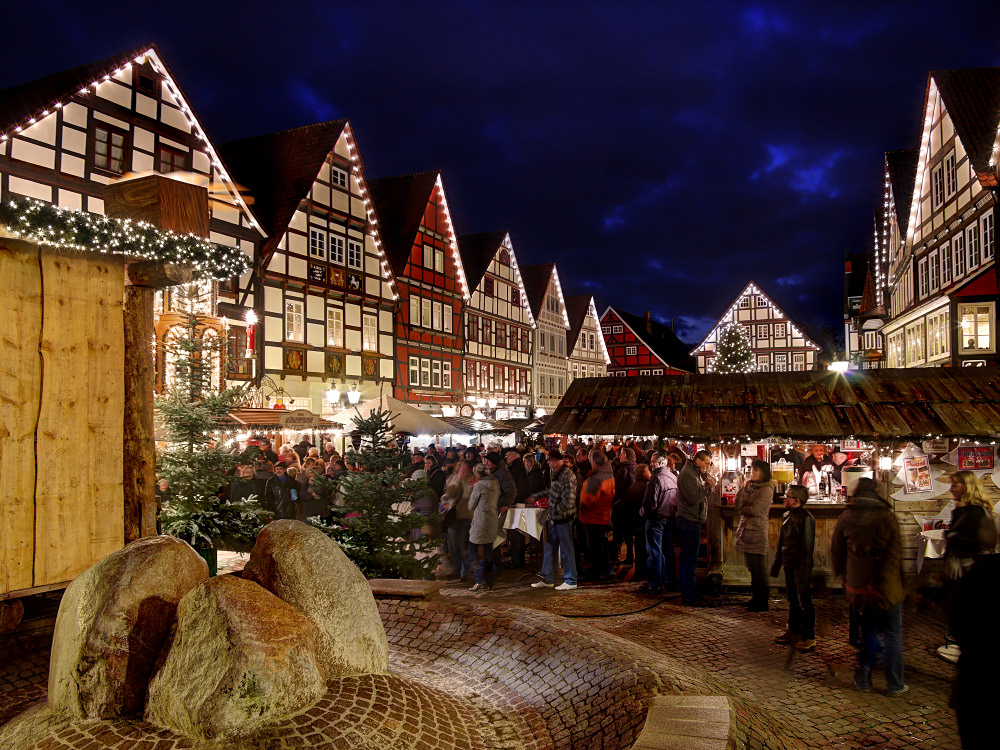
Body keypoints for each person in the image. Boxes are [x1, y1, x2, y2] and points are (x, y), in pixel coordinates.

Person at [831, 477, 907, 696]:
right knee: (892, 634)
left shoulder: (846, 517)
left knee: (868, 633)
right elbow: (895, 555)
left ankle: (863, 680)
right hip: (887, 588)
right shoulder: (887, 517)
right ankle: (895, 684)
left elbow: (837, 552)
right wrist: (892, 583)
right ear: (876, 491)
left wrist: (845, 578)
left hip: (859, 588)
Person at [949, 551, 1000, 749]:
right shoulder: (978, 575)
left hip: (972, 685)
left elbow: (956, 623)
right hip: (976, 683)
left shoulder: (975, 576)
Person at [771, 484, 816, 650]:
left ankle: (809, 636)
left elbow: (807, 547)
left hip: (800, 565)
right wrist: (777, 564)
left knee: (804, 600)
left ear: (796, 500)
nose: (784, 498)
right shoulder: (787, 516)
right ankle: (793, 630)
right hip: (789, 563)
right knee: (793, 600)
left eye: (788, 496)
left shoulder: (806, 518)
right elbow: (782, 543)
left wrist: (804, 571)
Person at [530, 450, 579, 591]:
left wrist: (556, 511)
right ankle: (547, 578)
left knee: (566, 549)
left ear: (558, 461)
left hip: (563, 518)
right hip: (556, 518)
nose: (548, 463)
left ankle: (571, 579)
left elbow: (568, 501)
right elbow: (552, 491)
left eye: (550, 460)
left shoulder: (567, 475)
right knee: (550, 548)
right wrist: (537, 496)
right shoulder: (557, 474)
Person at [734, 459, 776, 612]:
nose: (753, 473)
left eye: (756, 470)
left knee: (759, 569)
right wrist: (742, 489)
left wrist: (743, 508)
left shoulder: (767, 490)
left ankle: (762, 601)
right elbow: (737, 505)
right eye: (753, 470)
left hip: (757, 532)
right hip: (747, 531)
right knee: (752, 568)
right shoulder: (750, 487)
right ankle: (755, 598)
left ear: (764, 473)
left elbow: (755, 510)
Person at [676, 449, 716, 605]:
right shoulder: (687, 475)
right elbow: (694, 498)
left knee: (690, 559)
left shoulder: (695, 473)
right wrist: (708, 486)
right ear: (697, 461)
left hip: (693, 520)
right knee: (689, 560)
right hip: (688, 521)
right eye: (706, 462)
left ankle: (690, 592)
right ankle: (688, 595)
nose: (708, 465)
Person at [945, 471, 998, 577]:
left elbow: (976, 543)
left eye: (955, 486)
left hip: (972, 568)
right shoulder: (967, 510)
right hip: (969, 566)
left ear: (967, 487)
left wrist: (951, 536)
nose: (951, 489)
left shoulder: (975, 511)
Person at [641, 453, 677, 594]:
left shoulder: (656, 480)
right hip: (669, 518)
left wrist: (644, 513)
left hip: (656, 519)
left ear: (659, 463)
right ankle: (669, 580)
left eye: (652, 462)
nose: (650, 464)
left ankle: (655, 583)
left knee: (655, 551)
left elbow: (650, 503)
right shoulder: (673, 478)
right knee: (667, 550)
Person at [579, 449, 616, 581]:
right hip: (604, 514)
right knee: (602, 545)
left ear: (594, 462)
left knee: (595, 547)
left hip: (593, 516)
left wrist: (582, 505)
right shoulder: (608, 474)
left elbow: (589, 499)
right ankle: (607, 570)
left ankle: (598, 572)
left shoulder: (596, 478)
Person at [468, 463, 500, 591]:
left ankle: (479, 578)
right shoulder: (495, 484)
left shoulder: (479, 486)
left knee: (472, 549)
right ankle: (489, 581)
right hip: (492, 519)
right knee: (488, 550)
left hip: (480, 520)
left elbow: (471, 505)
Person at [443, 461, 475, 581]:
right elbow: (449, 494)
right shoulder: (452, 479)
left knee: (463, 546)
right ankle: (456, 569)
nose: (464, 472)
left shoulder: (472, 480)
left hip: (466, 517)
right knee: (453, 546)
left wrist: (468, 484)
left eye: (466, 469)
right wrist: (457, 481)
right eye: (462, 469)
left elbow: (471, 497)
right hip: (453, 516)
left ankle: (465, 572)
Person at [503, 447, 529, 568]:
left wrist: (511, 501)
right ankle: (516, 559)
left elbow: (516, 487)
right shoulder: (516, 467)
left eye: (508, 455)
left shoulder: (516, 468)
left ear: (514, 455)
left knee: (516, 533)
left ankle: (517, 561)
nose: (506, 457)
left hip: (516, 504)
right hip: (517, 503)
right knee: (515, 532)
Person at [612, 448, 638, 565]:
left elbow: (617, 488)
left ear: (627, 456)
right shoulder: (636, 468)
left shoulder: (624, 469)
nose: (620, 456)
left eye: (622, 454)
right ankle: (629, 554)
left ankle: (616, 556)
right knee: (629, 531)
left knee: (618, 531)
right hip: (632, 504)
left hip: (622, 505)